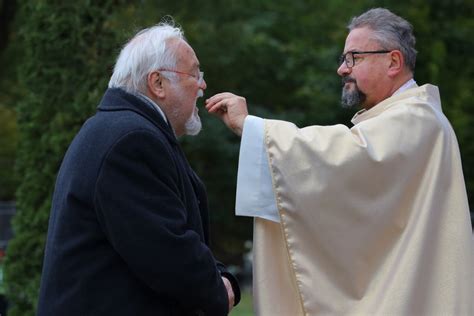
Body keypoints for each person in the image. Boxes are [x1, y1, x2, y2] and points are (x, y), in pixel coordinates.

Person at [206, 8, 473, 316]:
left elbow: (344, 155)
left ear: (393, 62)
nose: (342, 70)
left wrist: (253, 128)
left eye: (354, 57)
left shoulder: (417, 121)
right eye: (343, 58)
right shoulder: (407, 119)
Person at [37, 22, 240, 316]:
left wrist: (218, 276)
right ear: (157, 83)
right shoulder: (131, 140)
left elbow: (171, 232)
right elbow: (166, 254)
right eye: (194, 74)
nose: (202, 85)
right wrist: (218, 287)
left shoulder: (124, 129)